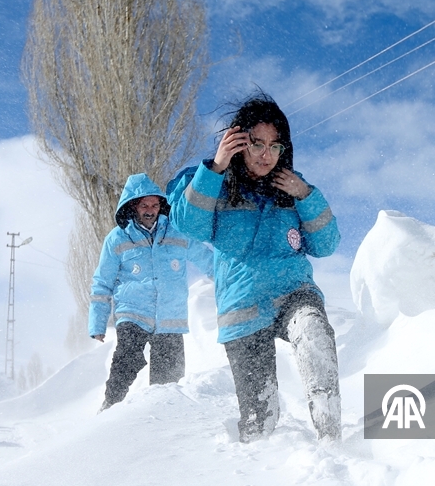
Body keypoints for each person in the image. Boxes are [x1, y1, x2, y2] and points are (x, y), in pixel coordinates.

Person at [167, 94, 342, 442]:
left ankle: (332, 440)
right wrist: (216, 167)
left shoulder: (292, 189)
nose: (266, 155)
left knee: (314, 334)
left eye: (275, 146)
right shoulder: (217, 185)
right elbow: (188, 225)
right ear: (238, 143)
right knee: (260, 419)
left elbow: (326, 245)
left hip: (294, 293)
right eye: (257, 144)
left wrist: (306, 195)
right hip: (243, 308)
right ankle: (257, 466)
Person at [89, 173, 213, 412]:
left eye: (154, 205)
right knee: (125, 362)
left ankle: (161, 422)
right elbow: (102, 282)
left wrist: (230, 279)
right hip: (133, 312)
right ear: (133, 206)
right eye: (144, 205)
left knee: (168, 384)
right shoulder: (117, 238)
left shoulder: (177, 233)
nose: (150, 210)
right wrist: (97, 322)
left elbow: (208, 260)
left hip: (170, 317)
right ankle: (109, 408)